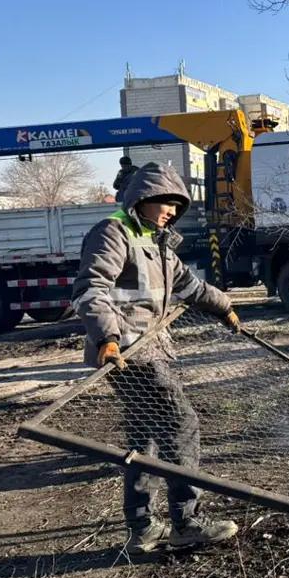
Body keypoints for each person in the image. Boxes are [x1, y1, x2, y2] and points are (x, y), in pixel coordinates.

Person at [72, 162, 242, 555]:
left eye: (176, 205)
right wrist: (107, 339)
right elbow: (90, 288)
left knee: (144, 437)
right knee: (181, 425)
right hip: (128, 353)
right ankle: (187, 521)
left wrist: (225, 306)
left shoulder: (157, 241)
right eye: (164, 203)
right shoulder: (114, 232)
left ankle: (143, 527)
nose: (171, 211)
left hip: (147, 348)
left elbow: (189, 285)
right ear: (141, 200)